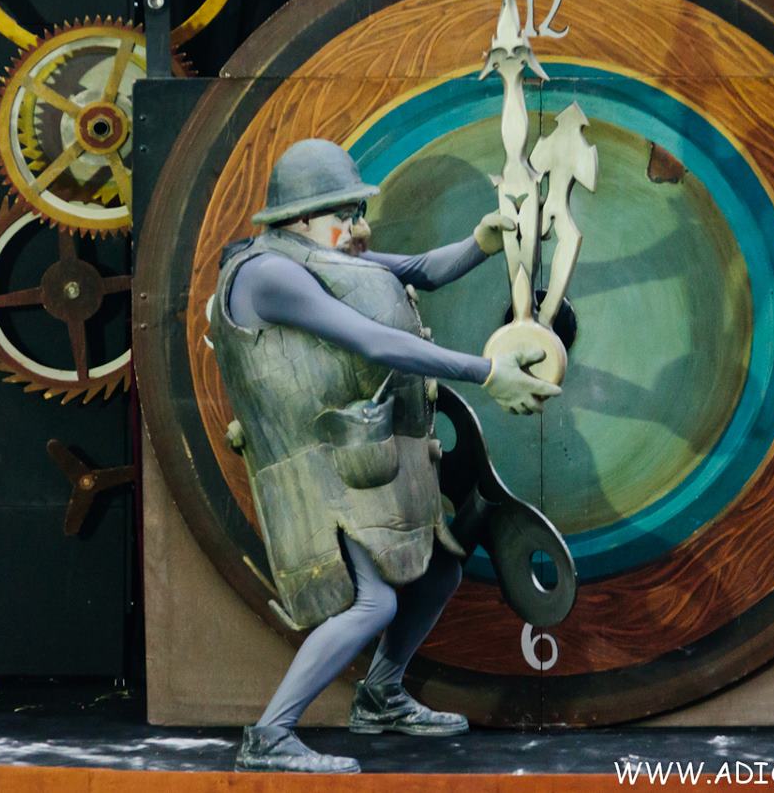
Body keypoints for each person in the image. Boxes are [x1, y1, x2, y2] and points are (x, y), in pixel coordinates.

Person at [209, 139, 560, 773]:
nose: (358, 226)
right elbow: (371, 340)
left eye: (359, 211)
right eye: (344, 212)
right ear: (301, 217)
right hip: (314, 474)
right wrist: (487, 372)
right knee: (372, 603)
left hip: (361, 463)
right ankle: (270, 735)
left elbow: (419, 268)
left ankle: (381, 696)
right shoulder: (268, 273)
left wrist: (481, 243)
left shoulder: (317, 255)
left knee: (440, 571)